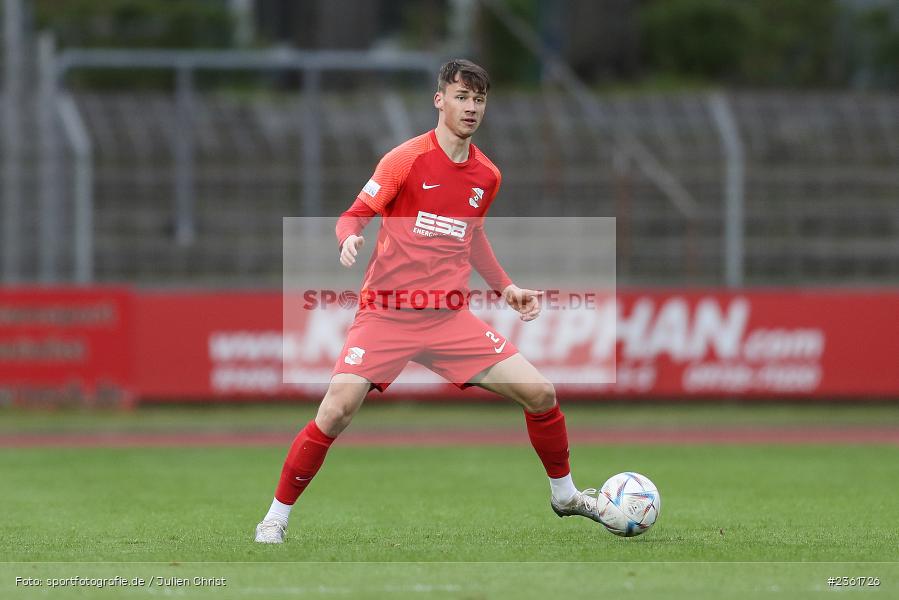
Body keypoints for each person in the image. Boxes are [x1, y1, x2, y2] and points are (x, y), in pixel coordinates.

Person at [255, 59, 605, 543]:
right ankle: (275, 516)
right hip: (387, 314)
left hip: (447, 319)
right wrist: (348, 239)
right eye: (461, 97)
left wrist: (506, 288)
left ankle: (565, 495)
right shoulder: (405, 159)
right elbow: (353, 214)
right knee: (336, 409)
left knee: (541, 392)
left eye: (479, 100)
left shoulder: (487, 175)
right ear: (439, 99)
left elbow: (472, 235)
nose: (471, 108)